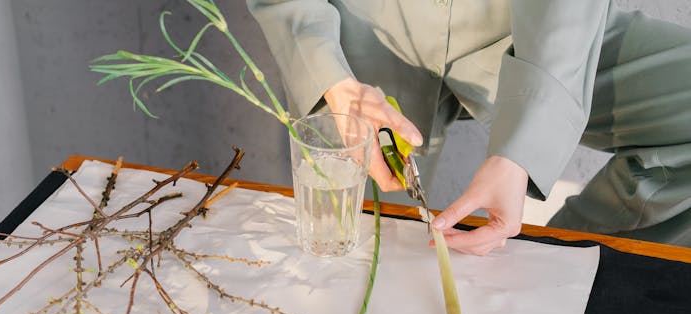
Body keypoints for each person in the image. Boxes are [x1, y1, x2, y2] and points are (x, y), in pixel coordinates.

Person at [246, 0, 691, 254]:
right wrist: (327, 77)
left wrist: (524, 147)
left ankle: (556, 266)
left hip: (518, 24)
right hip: (363, 28)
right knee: (354, 248)